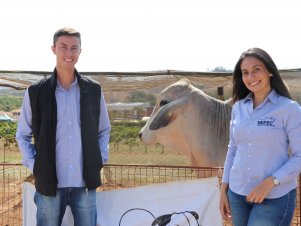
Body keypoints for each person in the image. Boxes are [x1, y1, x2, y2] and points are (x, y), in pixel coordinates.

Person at [16, 27, 111, 226]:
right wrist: (35, 165)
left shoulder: (93, 90)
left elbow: (103, 130)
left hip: (85, 183)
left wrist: (99, 158)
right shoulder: (35, 91)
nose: (69, 53)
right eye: (63, 47)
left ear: (80, 52)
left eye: (74, 48)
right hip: (49, 184)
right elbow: (22, 135)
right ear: (54, 49)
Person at [219, 47, 301, 226]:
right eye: (245, 72)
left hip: (274, 196)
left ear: (270, 71)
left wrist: (269, 183)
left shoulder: (289, 109)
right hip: (237, 193)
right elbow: (233, 149)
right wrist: (224, 188)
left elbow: (299, 156)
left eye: (257, 69)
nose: (251, 77)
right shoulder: (238, 108)